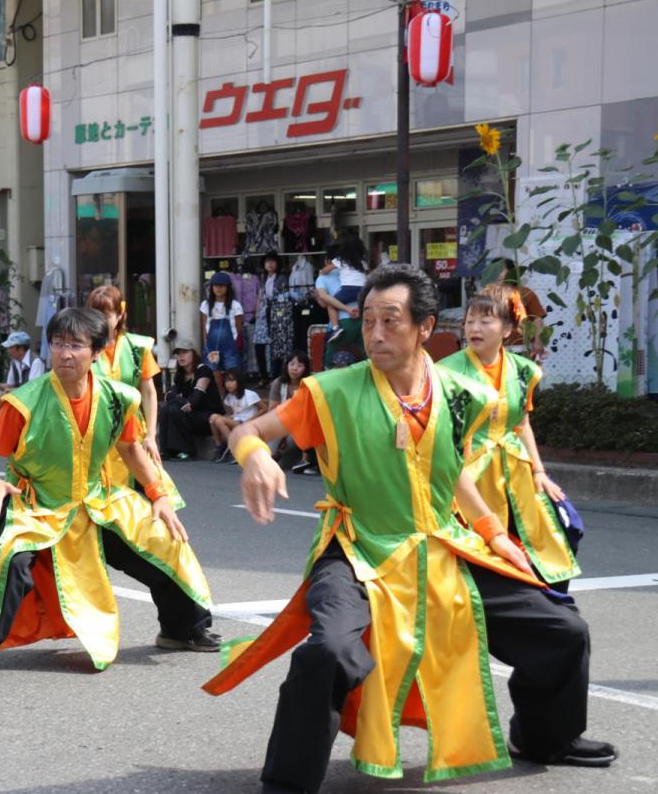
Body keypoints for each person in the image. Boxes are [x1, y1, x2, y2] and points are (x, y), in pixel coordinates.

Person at [205, 264, 614, 794]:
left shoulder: (455, 392)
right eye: (369, 320)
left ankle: (545, 737)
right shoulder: (329, 391)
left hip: (441, 546)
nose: (374, 334)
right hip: (358, 551)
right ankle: (287, 781)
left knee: (563, 632)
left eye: (390, 321)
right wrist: (255, 456)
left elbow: (451, 467)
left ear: (424, 328)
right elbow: (249, 429)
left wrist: (494, 535)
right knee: (327, 649)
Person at [0, 308, 218, 685]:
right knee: (8, 567)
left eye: (76, 345)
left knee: (162, 537)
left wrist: (158, 495)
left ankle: (183, 629)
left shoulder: (118, 398)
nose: (65, 353)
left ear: (96, 352)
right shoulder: (26, 401)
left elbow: (131, 450)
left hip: (95, 501)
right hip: (34, 505)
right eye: (58, 344)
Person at [439, 283, 579, 592]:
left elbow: (522, 424)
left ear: (507, 330)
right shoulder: (445, 372)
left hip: (514, 468)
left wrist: (539, 471)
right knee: (480, 545)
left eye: (485, 321)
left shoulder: (523, 370)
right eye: (470, 321)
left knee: (563, 524)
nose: (474, 328)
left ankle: (544, 600)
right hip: (467, 473)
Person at [85, 285, 182, 503]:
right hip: (95, 432)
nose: (100, 320)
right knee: (100, 499)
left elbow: (148, 392)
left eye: (106, 314)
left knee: (151, 494)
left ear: (119, 315)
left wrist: (150, 436)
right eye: (95, 314)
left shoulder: (137, 346)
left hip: (134, 431)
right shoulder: (82, 347)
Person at [157, 336, 224, 460]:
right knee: (165, 408)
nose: (181, 356)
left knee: (174, 409)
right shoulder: (180, 375)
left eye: (184, 352)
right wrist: (181, 401)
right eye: (178, 353)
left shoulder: (203, 370)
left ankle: (186, 450)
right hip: (189, 413)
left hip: (208, 416)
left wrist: (180, 400)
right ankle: (166, 450)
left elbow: (195, 400)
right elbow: (168, 395)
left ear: (193, 353)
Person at [325, 234, 368, 366]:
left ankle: (336, 327)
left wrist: (324, 271)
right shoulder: (363, 262)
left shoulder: (341, 260)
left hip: (348, 289)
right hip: (362, 290)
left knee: (331, 303)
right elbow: (367, 272)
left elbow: (325, 271)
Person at [200, 271, 245, 395]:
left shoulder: (235, 306)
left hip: (230, 347)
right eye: (216, 285)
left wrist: (234, 346)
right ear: (212, 287)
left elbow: (239, 327)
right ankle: (221, 402)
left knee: (232, 377)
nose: (218, 288)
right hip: (211, 347)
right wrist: (207, 346)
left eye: (222, 285)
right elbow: (204, 327)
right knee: (215, 377)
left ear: (228, 288)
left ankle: (234, 402)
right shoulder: (205, 305)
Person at [494, 258, 548, 360]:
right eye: (494, 271)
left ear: (511, 272)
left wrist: (538, 341)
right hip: (496, 349)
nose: (498, 274)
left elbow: (537, 320)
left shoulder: (525, 293)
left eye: (501, 270)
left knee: (523, 375)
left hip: (523, 348)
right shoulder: (489, 295)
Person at [208, 370, 265, 464]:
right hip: (236, 422)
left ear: (239, 381)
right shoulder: (229, 397)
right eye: (226, 381)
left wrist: (250, 420)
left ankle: (234, 447)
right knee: (213, 417)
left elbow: (264, 408)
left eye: (231, 381)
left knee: (219, 421)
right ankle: (219, 447)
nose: (228, 384)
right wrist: (222, 417)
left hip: (247, 423)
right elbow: (231, 414)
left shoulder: (249, 394)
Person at [267, 351, 311, 468]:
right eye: (292, 364)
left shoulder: (310, 384)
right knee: (269, 452)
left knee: (293, 439)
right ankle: (277, 454)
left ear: (305, 368)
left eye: (299, 365)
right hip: (281, 423)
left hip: (300, 426)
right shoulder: (279, 383)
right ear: (286, 366)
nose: (295, 369)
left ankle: (304, 460)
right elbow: (272, 409)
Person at [0, 330, 46, 414]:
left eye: (11, 348)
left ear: (21, 349)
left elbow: (32, 390)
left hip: (36, 399)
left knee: (7, 395)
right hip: (21, 394)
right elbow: (9, 385)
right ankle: (1, 424)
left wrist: (11, 391)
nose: (8, 351)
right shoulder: (15, 362)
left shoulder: (36, 362)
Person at [253, 253, 288, 383]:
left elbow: (284, 295)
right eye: (267, 261)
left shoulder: (282, 278)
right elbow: (260, 296)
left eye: (273, 261)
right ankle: (263, 376)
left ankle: (275, 377)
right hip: (263, 314)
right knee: (259, 345)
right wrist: (256, 314)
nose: (270, 264)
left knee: (275, 345)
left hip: (277, 313)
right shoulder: (263, 278)